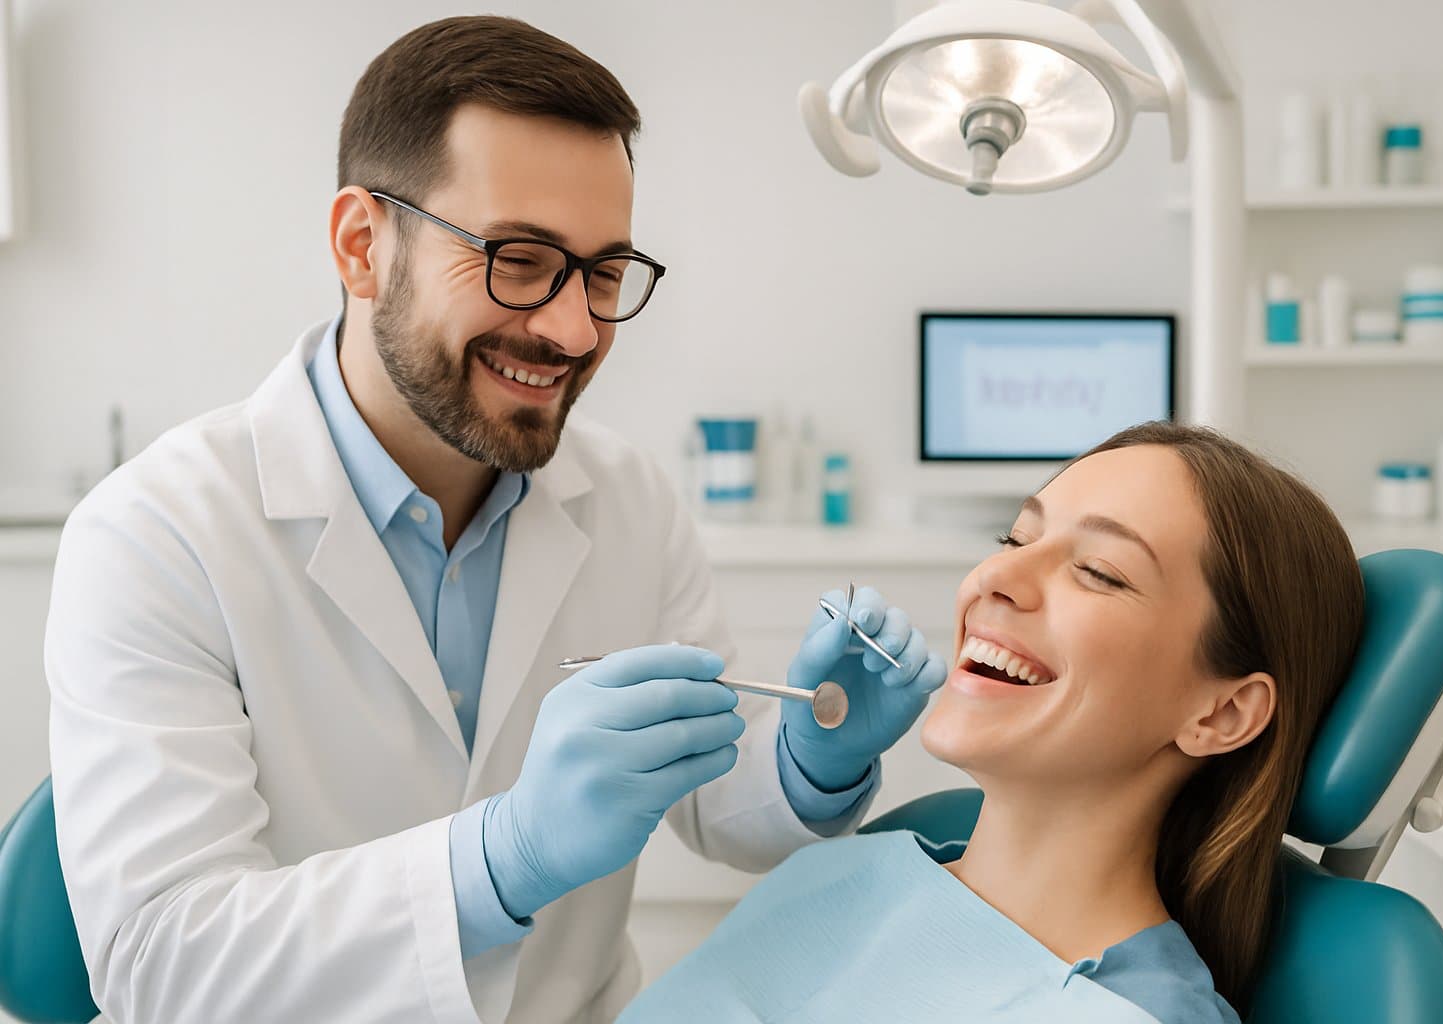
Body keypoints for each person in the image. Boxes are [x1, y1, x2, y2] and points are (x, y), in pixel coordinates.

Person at [43, 16, 944, 1024]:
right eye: (518, 258)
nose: (572, 328)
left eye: (604, 273)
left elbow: (712, 799)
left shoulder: (631, 501)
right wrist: (503, 857)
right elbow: (164, 967)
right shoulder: (155, 534)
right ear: (361, 246)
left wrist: (811, 761)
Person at [620, 421, 1366, 1023]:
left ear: (1222, 712)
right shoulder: (845, 870)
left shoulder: (1133, 1010)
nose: (995, 578)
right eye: (1015, 538)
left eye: (1100, 572)